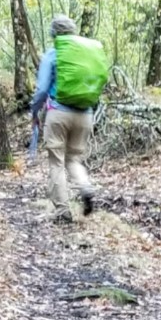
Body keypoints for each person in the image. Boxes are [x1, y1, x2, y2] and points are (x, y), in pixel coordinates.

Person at [30, 14, 109, 221]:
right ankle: (86, 187)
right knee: (73, 159)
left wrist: (34, 111)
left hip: (58, 113)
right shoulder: (86, 57)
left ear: (54, 33)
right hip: (85, 115)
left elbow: (41, 90)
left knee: (56, 162)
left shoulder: (53, 54)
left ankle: (62, 211)